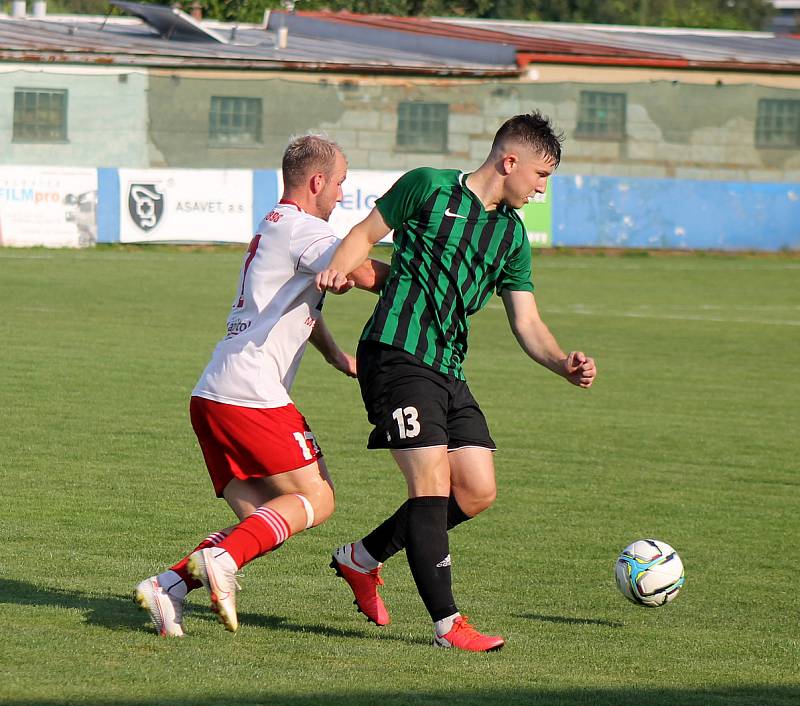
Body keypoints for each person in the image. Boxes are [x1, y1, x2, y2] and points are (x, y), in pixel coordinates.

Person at [317, 111, 597, 652]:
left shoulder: (512, 237)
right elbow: (363, 234)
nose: (543, 188)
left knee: (476, 490)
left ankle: (362, 558)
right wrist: (338, 268)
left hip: (448, 367)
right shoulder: (428, 186)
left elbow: (527, 321)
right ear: (509, 161)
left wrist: (563, 363)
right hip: (396, 356)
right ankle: (449, 625)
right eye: (541, 176)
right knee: (431, 486)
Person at [134, 134, 382, 637]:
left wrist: (337, 356)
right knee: (320, 497)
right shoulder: (305, 229)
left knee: (266, 520)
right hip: (252, 395)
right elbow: (359, 270)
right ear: (317, 182)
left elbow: (296, 302)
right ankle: (219, 562)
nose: (341, 196)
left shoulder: (277, 224)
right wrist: (432, 276)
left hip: (213, 394)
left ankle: (167, 587)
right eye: (339, 184)